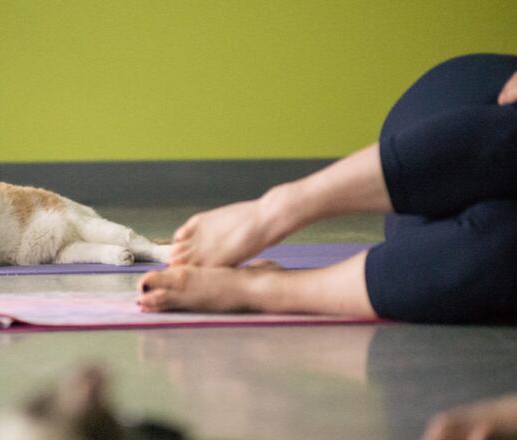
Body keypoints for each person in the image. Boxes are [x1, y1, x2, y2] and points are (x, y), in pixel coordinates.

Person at [137, 53, 517, 324]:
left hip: (455, 207)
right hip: (475, 111)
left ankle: (263, 289)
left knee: (500, 243)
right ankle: (279, 209)